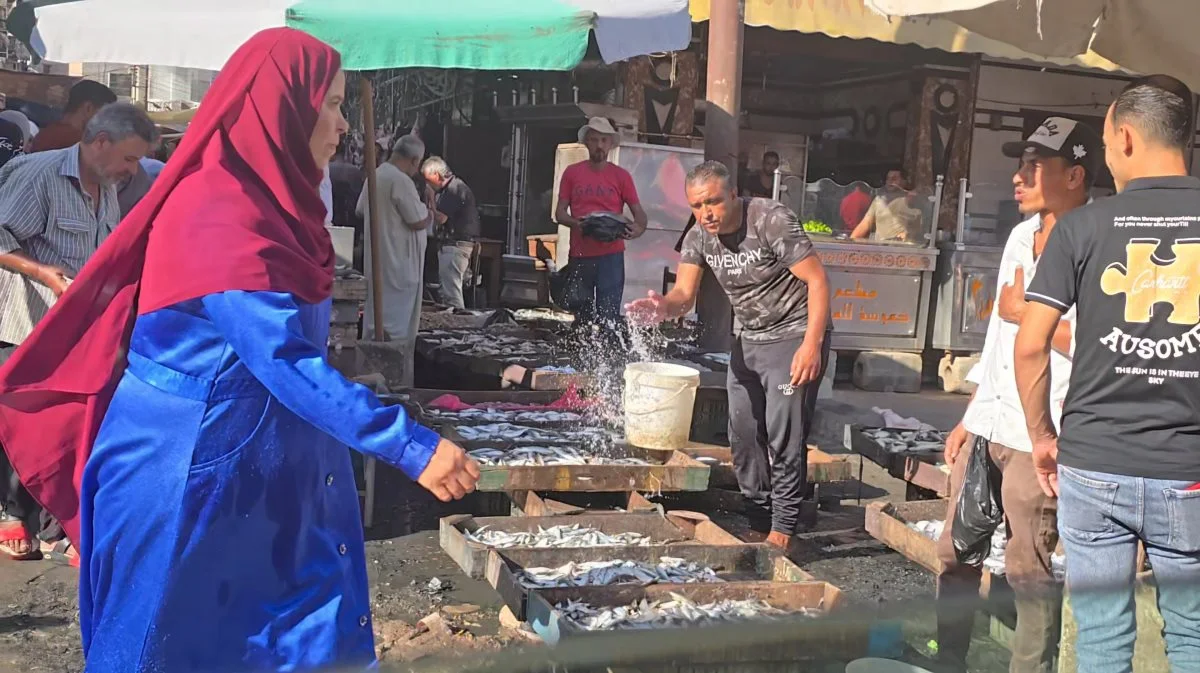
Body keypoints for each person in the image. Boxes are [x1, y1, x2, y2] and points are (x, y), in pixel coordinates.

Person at [0, 29, 478, 671]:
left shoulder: (280, 204)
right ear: (282, 106)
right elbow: (279, 356)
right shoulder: (218, 208)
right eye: (331, 105)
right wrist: (408, 445)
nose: (342, 126)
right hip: (189, 476)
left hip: (262, 478)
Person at [1015, 75, 1200, 673]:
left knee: (1100, 642)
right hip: (1190, 469)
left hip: (1093, 467)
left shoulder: (1080, 228)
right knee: (1194, 636)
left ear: (1124, 137)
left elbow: (1031, 345)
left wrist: (1043, 437)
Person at [936, 116, 1098, 673]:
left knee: (1029, 570)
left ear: (1075, 174)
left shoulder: (1098, 241)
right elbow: (998, 336)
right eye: (1019, 164)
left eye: (1035, 167)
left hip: (1044, 431)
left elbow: (1102, 344)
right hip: (991, 422)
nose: (1018, 177)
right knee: (954, 553)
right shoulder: (1019, 236)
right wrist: (970, 413)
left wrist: (1027, 314)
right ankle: (948, 658)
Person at [627, 161, 831, 550]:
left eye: (713, 202)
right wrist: (663, 307)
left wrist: (812, 344)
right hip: (749, 338)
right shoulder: (699, 235)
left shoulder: (770, 220)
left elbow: (818, 280)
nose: (706, 213)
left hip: (793, 334)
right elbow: (684, 296)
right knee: (741, 431)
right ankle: (757, 515)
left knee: (782, 432)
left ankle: (784, 526)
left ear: (733, 194)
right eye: (697, 205)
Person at [0, 102, 154, 564]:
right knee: (16, 425)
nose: (131, 170)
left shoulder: (105, 189)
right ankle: (11, 514)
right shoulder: (43, 175)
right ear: (100, 141)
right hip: (24, 323)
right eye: (128, 158)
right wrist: (44, 272)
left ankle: (54, 524)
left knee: (59, 427)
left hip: (72, 333)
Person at [554, 117, 648, 329]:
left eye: (603, 140)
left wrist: (636, 230)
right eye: (594, 139)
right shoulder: (572, 173)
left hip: (611, 256)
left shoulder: (621, 176)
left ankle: (609, 358)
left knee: (609, 316)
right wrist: (579, 224)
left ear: (610, 144)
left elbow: (640, 216)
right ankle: (579, 359)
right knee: (581, 315)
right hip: (580, 255)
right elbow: (559, 213)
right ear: (586, 142)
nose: (599, 145)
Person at [357, 134, 432, 382]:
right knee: (396, 329)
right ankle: (394, 382)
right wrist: (429, 206)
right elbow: (417, 220)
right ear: (414, 160)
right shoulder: (399, 181)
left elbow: (360, 209)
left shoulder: (376, 175)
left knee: (377, 319)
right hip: (399, 266)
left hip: (381, 263)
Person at [422, 155, 479, 309]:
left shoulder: (455, 189)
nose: (427, 184)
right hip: (454, 245)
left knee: (451, 293)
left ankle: (459, 324)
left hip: (456, 245)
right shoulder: (451, 189)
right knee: (448, 291)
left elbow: (441, 218)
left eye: (427, 179)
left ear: (436, 175)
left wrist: (432, 200)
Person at [32, 80, 117, 152]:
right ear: (88, 108)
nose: (107, 121)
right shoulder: (79, 144)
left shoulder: (44, 134)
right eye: (105, 113)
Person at [851, 168, 924, 242]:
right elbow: (865, 223)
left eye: (894, 178)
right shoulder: (879, 200)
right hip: (881, 247)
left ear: (904, 181)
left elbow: (920, 229)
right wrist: (850, 241)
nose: (890, 181)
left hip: (903, 248)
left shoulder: (911, 201)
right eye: (888, 179)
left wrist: (909, 234)